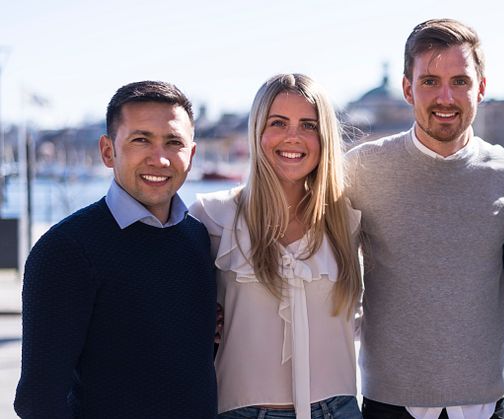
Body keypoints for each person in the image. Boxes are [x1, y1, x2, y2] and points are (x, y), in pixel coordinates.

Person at [346, 18, 504, 419]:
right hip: (389, 403)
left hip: (486, 402)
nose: (445, 96)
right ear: (408, 89)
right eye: (429, 81)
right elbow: (320, 259)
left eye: (460, 81)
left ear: (481, 87)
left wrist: (472, 315)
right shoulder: (361, 168)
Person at [14, 81, 217, 417]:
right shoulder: (66, 250)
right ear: (108, 151)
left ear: (191, 154)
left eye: (173, 142)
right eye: (141, 140)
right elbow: (38, 401)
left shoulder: (197, 237)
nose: (160, 159)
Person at [189, 73, 363, 419]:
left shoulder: (350, 216)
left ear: (325, 135)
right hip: (241, 412)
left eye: (308, 125)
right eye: (278, 122)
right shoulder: (211, 216)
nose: (293, 137)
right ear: (257, 130)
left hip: (338, 410)